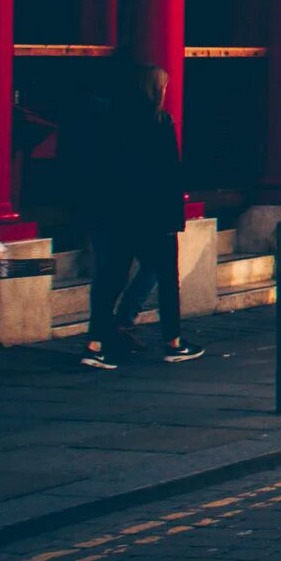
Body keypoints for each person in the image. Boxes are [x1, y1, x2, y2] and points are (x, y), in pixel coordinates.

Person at [76, 65, 203, 369]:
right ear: (154, 90)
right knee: (166, 277)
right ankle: (173, 341)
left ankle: (95, 345)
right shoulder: (159, 122)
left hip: (115, 213)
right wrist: (175, 219)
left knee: (109, 278)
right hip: (152, 215)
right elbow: (169, 174)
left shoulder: (108, 121)